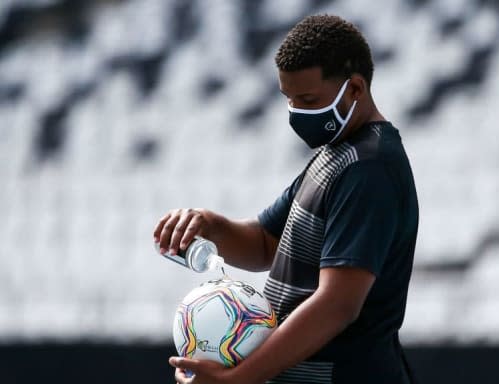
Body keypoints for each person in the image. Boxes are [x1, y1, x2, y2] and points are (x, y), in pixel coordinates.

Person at [154, 14, 419, 384]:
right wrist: (209, 225)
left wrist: (240, 379)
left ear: (355, 89)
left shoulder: (369, 168)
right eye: (289, 99)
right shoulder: (336, 154)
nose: (296, 113)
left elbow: (338, 305)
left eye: (308, 99)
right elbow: (265, 244)